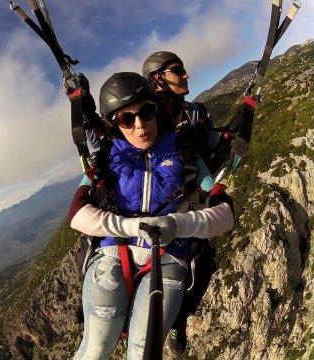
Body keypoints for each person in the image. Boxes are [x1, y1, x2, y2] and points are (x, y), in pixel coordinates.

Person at [67, 72, 234, 360]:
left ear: (156, 111)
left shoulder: (185, 154)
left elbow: (226, 214)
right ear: (115, 125)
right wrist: (129, 225)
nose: (140, 125)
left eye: (146, 112)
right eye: (126, 119)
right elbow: (77, 214)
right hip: (112, 253)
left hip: (168, 257)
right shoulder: (107, 158)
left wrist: (176, 225)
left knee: (143, 352)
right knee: (95, 350)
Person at [142, 51, 230, 354]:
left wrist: (231, 141)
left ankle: (178, 323)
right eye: (177, 71)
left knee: (201, 263)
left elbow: (214, 151)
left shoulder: (196, 113)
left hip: (189, 194)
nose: (186, 76)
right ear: (158, 79)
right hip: (149, 196)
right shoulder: (145, 116)